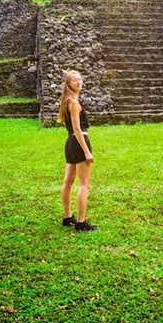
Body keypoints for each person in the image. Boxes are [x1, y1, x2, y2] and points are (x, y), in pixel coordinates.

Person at [56, 70, 98, 232]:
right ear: (68, 84)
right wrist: (87, 151)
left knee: (68, 182)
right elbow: (77, 129)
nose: (79, 82)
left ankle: (67, 217)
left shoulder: (67, 101)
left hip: (70, 142)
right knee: (84, 184)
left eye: (80, 79)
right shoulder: (73, 102)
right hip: (78, 141)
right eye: (75, 81)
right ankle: (81, 222)